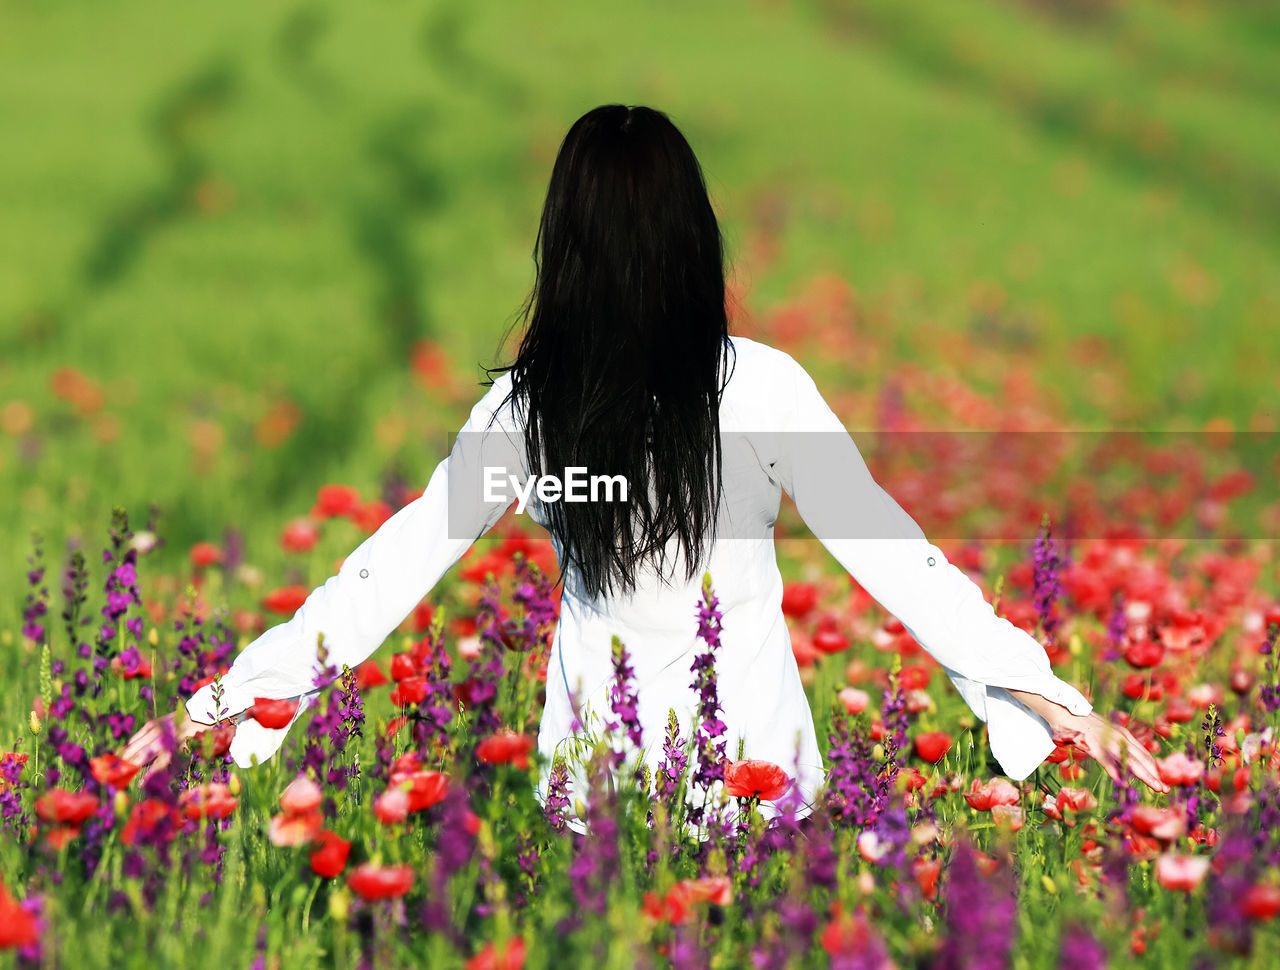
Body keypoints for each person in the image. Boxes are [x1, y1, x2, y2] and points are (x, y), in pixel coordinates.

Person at [123, 104, 1167, 830]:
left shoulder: (530, 412)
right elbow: (899, 562)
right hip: (761, 803)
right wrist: (1042, 696)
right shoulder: (757, 388)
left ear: (564, 247)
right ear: (689, 239)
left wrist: (215, 707)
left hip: (594, 809)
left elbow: (383, 576)